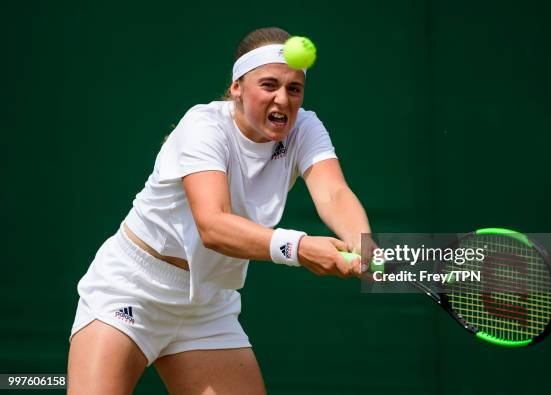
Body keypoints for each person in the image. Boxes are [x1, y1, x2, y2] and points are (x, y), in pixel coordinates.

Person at [67, 26, 371, 395]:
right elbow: (213, 225)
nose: (283, 99)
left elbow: (334, 193)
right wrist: (300, 248)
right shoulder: (202, 126)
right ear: (237, 88)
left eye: (294, 89)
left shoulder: (305, 127)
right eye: (269, 85)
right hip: (132, 289)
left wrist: (364, 248)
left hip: (208, 304)